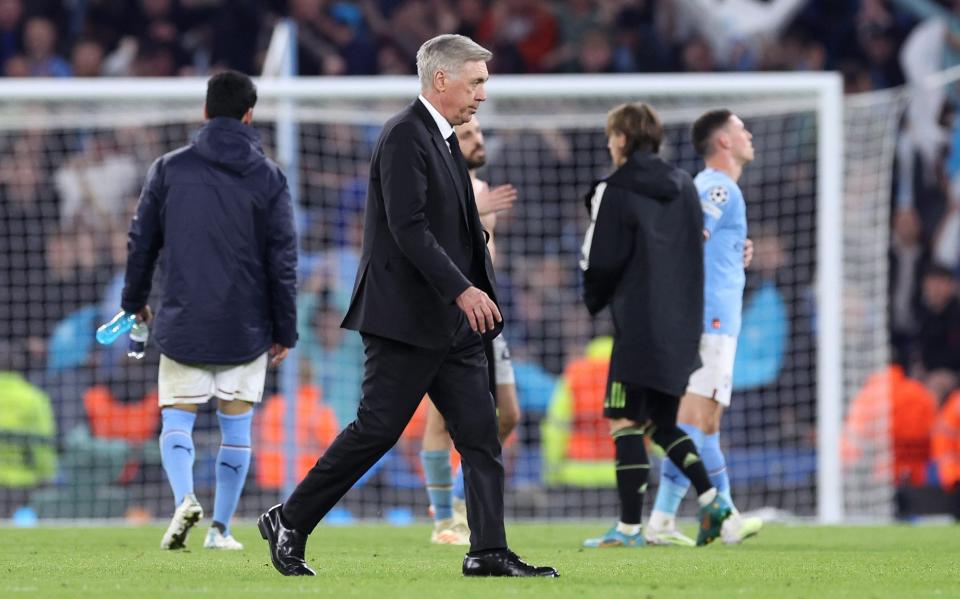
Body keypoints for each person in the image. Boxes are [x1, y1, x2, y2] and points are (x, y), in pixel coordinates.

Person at [257, 34, 557, 578]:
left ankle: (487, 550)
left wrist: (478, 292)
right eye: (477, 82)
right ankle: (290, 518)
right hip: (406, 319)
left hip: (453, 323)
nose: (483, 95)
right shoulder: (402, 136)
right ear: (441, 80)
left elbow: (457, 230)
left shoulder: (442, 140)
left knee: (481, 436)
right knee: (377, 429)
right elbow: (408, 228)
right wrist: (463, 289)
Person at [120, 71, 297, 551]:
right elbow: (282, 258)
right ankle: (220, 530)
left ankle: (183, 500)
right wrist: (286, 329)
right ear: (249, 115)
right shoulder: (269, 176)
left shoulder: (168, 169)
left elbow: (141, 244)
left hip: (184, 320)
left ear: (204, 112)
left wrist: (133, 303)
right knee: (235, 426)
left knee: (177, 418)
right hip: (247, 325)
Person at [580, 102, 732, 548]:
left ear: (623, 139)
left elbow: (601, 257)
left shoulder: (614, 188)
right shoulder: (684, 185)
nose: (610, 145)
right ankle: (712, 499)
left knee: (625, 420)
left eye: (611, 137)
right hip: (683, 324)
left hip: (639, 325)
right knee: (662, 425)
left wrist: (594, 296)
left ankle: (628, 529)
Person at [646, 109, 763, 546]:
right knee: (697, 420)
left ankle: (661, 519)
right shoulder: (717, 185)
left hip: (710, 316)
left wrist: (736, 251)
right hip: (708, 318)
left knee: (703, 423)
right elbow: (692, 235)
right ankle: (726, 514)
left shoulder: (713, 187)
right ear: (724, 142)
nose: (748, 133)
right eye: (741, 128)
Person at [420, 115, 520, 545]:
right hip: (452, 313)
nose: (477, 140)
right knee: (443, 416)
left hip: (488, 315)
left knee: (508, 414)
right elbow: (428, 238)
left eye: (478, 133)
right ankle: (444, 518)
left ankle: (459, 499)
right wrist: (476, 212)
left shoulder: (481, 191)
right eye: (466, 135)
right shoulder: (442, 190)